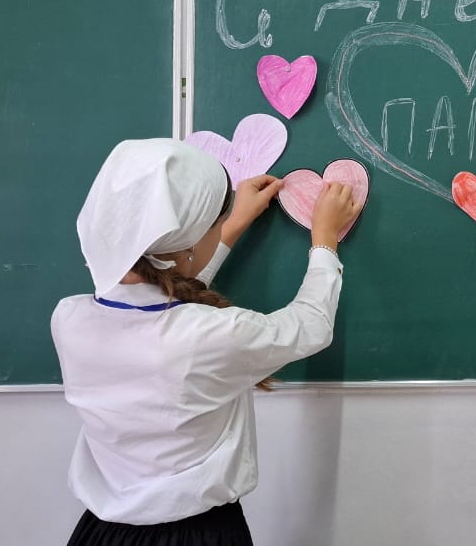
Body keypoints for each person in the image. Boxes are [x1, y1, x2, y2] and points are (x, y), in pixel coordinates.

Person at [51, 138, 362, 546]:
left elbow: (163, 297)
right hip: (198, 535)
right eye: (214, 224)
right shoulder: (212, 334)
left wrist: (231, 225)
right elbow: (310, 325)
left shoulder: (69, 318)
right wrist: (324, 240)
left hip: (100, 535)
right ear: (187, 244)